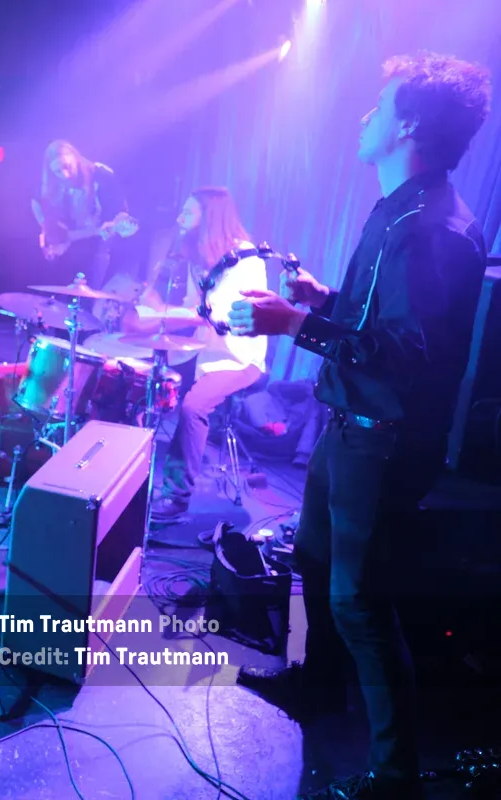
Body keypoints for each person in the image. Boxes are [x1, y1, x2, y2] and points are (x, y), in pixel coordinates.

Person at [228, 53, 491, 799]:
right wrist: (329, 301)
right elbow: (385, 315)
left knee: (360, 602)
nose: (364, 116)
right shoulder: (402, 205)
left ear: (408, 124)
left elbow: (406, 357)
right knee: (313, 563)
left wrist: (299, 322)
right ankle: (317, 692)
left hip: (384, 439)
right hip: (349, 427)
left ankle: (396, 774)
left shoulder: (434, 228)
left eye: (378, 106)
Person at [149, 188, 268, 521]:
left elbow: (225, 317)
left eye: (187, 212)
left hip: (239, 358)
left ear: (209, 216)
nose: (179, 218)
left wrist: (163, 313)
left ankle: (177, 496)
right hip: (204, 354)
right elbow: (194, 308)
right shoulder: (196, 257)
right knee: (142, 383)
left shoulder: (245, 258)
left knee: (193, 406)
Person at [32, 139, 137, 294]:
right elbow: (39, 207)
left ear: (76, 158)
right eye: (58, 171)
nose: (65, 175)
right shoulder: (52, 187)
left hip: (98, 246)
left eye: (67, 167)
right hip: (70, 249)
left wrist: (118, 223)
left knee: (91, 294)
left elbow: (120, 211)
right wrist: (50, 233)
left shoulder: (101, 175)